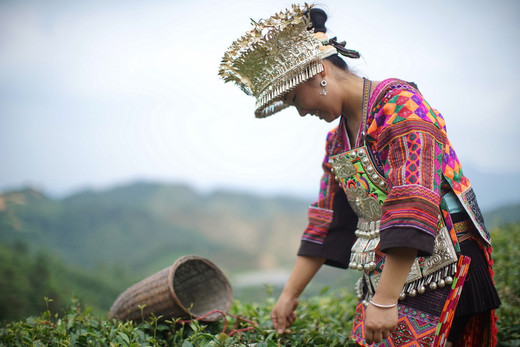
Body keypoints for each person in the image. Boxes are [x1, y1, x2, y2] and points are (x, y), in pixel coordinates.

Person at [219, 4, 500, 346]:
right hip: (390, 275)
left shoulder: (402, 107)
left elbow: (413, 200)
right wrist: (289, 295)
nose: (302, 111)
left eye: (295, 99)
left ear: (317, 72)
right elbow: (327, 220)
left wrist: (384, 300)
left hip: (443, 264)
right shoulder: (337, 142)